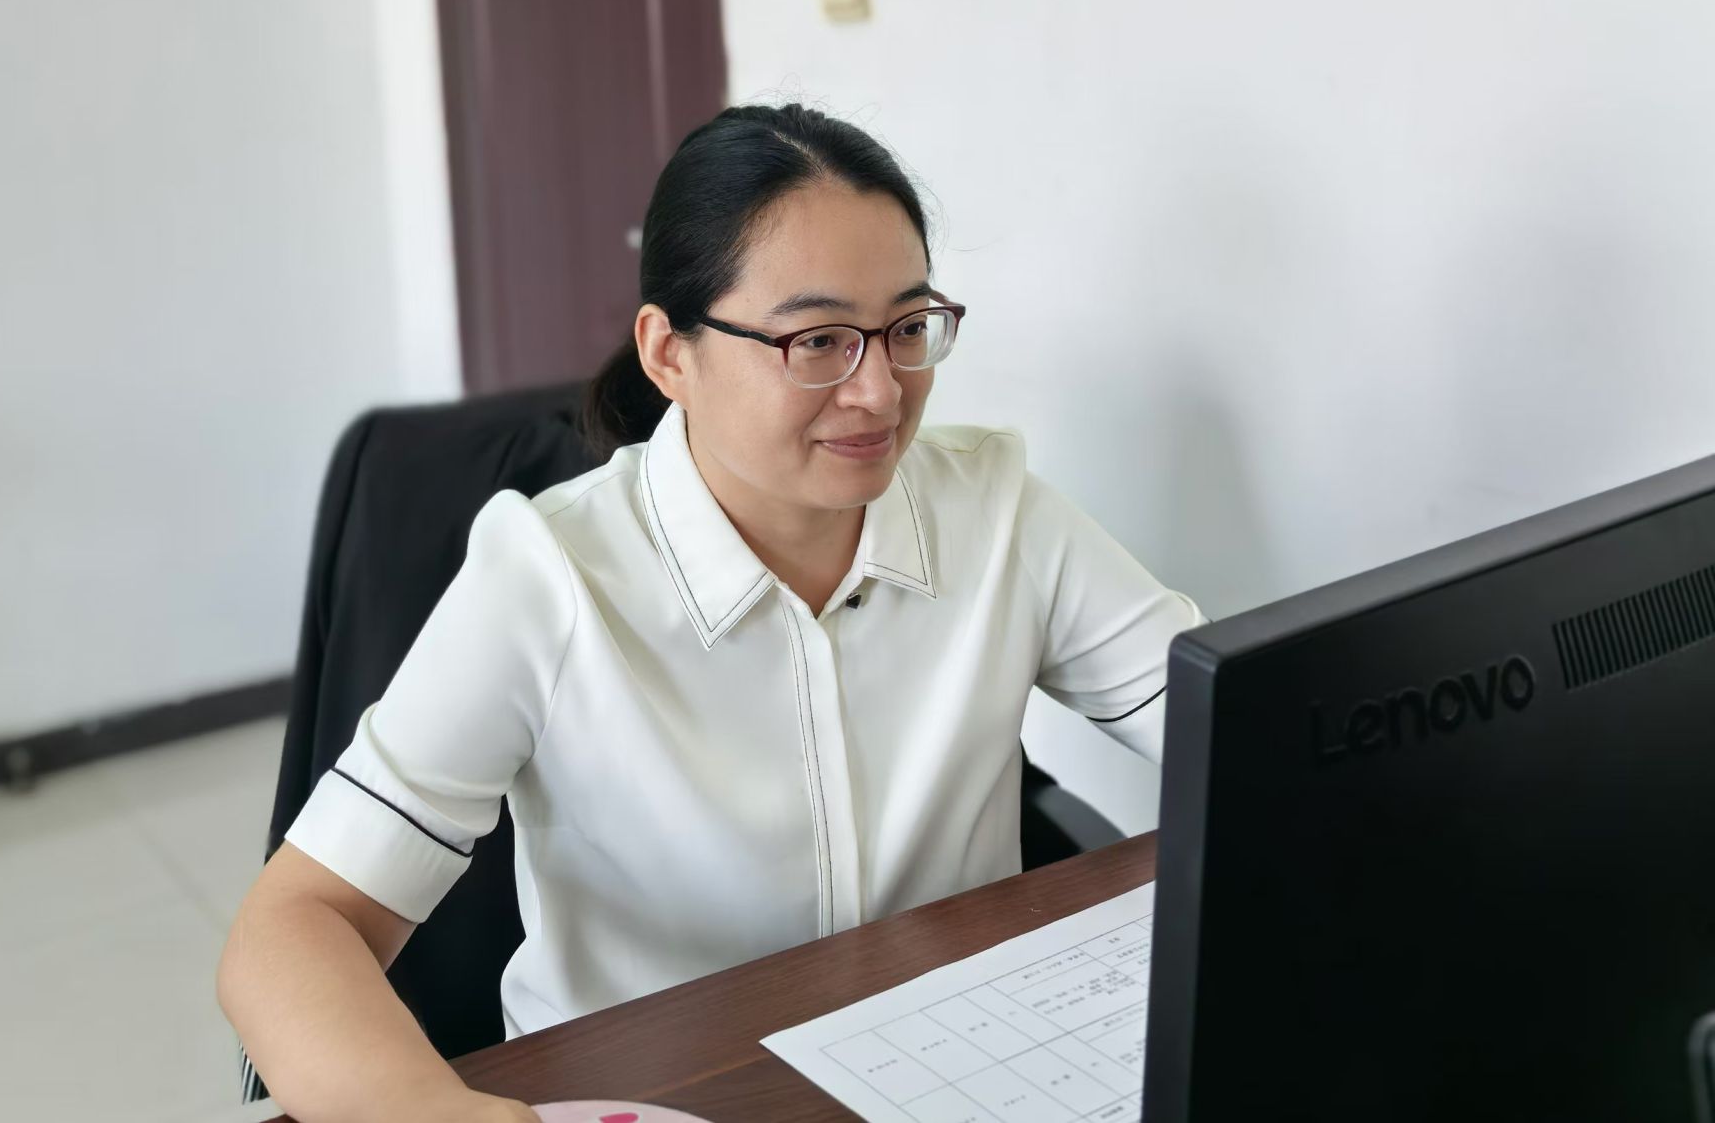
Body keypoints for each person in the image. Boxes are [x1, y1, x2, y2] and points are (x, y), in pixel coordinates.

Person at [217, 103, 1207, 1123]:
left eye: (907, 328)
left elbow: (1238, 731)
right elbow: (295, 923)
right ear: (669, 354)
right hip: (651, 1093)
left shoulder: (997, 512)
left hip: (953, 1067)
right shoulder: (551, 573)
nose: (879, 391)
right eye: (818, 340)